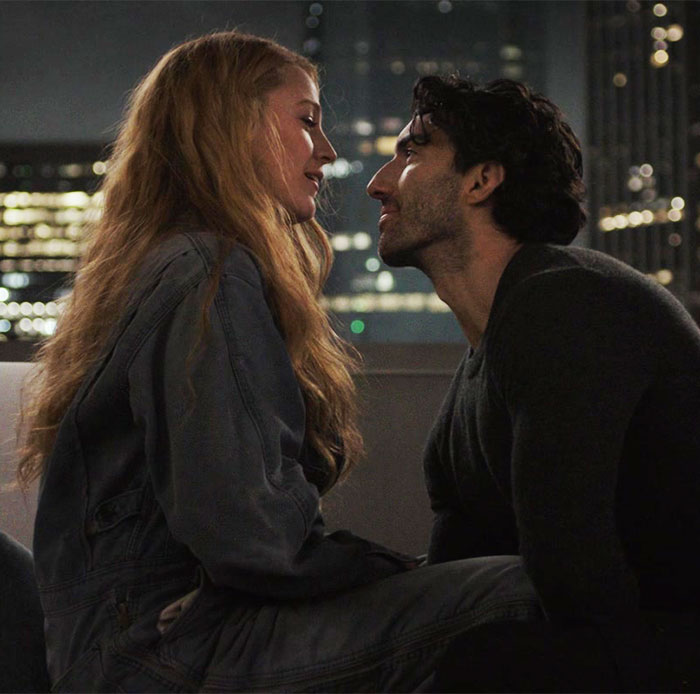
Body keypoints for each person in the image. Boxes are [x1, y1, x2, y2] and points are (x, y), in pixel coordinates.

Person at [18, 34, 542, 692]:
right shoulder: (208, 271)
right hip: (168, 650)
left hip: (127, 645)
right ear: (234, 125)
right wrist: (391, 573)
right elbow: (250, 539)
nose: (327, 152)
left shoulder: (168, 264)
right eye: (307, 121)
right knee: (520, 594)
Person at [367, 75, 700, 692]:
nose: (378, 183)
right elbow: (448, 593)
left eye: (411, 152)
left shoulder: (567, 305)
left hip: (665, 634)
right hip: (621, 634)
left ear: (480, 180)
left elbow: (575, 575)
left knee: (483, 664)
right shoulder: (477, 377)